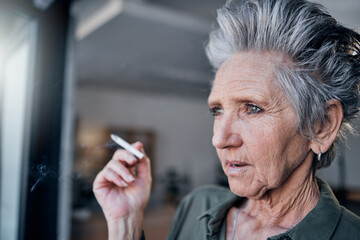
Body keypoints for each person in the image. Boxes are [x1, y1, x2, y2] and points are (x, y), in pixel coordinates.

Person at [93, 0, 360, 239]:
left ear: (322, 126)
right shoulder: (196, 206)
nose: (219, 139)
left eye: (252, 108)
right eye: (217, 110)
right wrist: (125, 224)